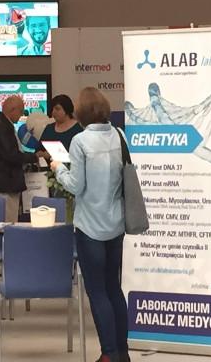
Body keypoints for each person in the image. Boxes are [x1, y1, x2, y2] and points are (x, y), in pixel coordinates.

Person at [50, 87, 129, 362]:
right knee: (114, 288)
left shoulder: (80, 141)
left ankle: (108, 354)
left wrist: (58, 168)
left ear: (81, 112)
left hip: (90, 228)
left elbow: (76, 185)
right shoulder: (119, 135)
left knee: (97, 292)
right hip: (116, 224)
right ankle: (122, 353)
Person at [0, 95, 38, 222]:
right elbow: (11, 154)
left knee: (7, 218)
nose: (21, 115)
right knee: (9, 221)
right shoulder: (3, 127)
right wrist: (34, 157)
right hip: (6, 183)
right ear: (12, 110)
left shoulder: (2, 124)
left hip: (3, 182)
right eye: (21, 111)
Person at [36, 94, 83, 159]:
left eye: (57, 109)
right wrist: (42, 154)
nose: (53, 112)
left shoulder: (78, 130)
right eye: (52, 109)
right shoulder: (49, 128)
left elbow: (80, 155)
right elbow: (38, 150)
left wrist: (53, 155)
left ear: (66, 109)